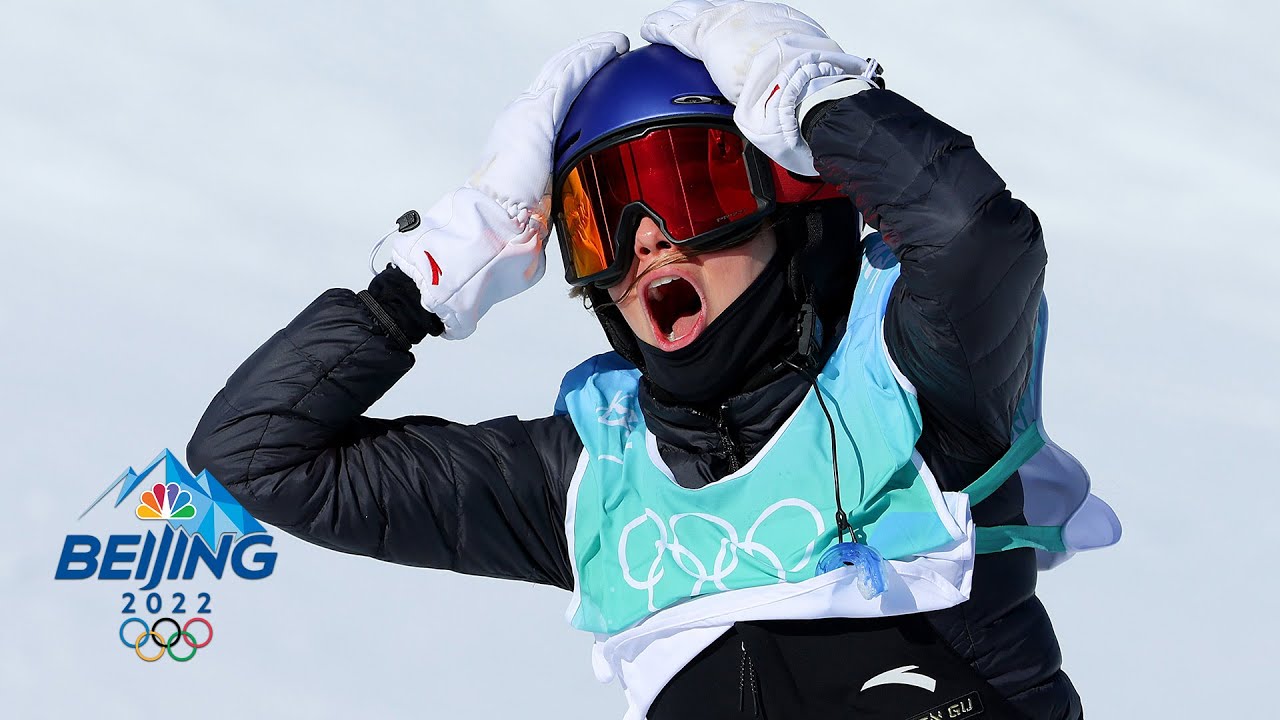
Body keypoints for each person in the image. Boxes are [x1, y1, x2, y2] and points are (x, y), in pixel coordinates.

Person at [188, 2, 1120, 718]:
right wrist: (425, 277)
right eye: (604, 218)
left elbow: (972, 233)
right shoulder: (591, 481)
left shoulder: (916, 387)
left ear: (788, 201)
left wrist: (818, 98)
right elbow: (255, 455)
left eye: (691, 188)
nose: (648, 247)